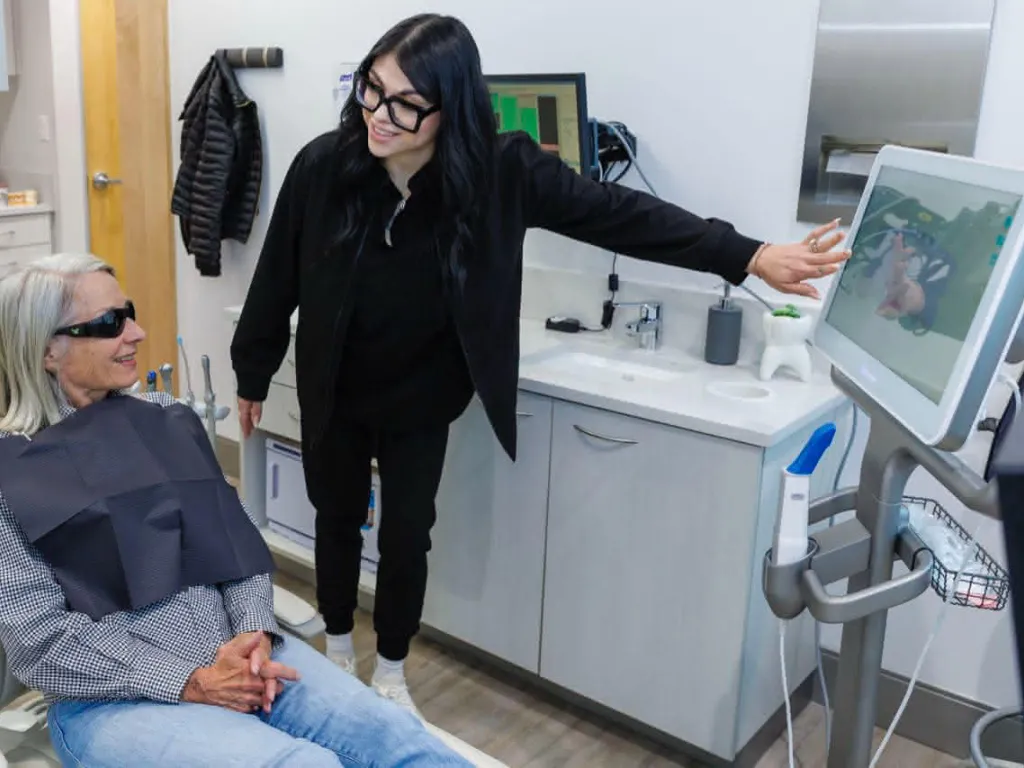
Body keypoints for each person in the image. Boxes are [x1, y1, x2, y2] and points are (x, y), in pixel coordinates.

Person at [230, 13, 850, 713]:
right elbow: (277, 272)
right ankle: (339, 645)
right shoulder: (326, 165)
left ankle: (393, 668)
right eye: (373, 90)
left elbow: (619, 212)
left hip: (421, 393)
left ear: (450, 106)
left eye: (406, 103)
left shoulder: (501, 171)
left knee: (407, 533)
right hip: (335, 380)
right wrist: (253, 370)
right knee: (335, 516)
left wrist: (747, 255)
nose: (380, 114)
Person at [0, 254, 473, 767]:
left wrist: (251, 632)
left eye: (129, 312)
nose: (136, 332)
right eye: (112, 323)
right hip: (113, 699)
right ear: (49, 350)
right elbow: (38, 642)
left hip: (242, 658)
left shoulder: (163, 420)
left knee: (401, 740)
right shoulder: (12, 473)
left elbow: (237, 544)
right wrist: (190, 681)